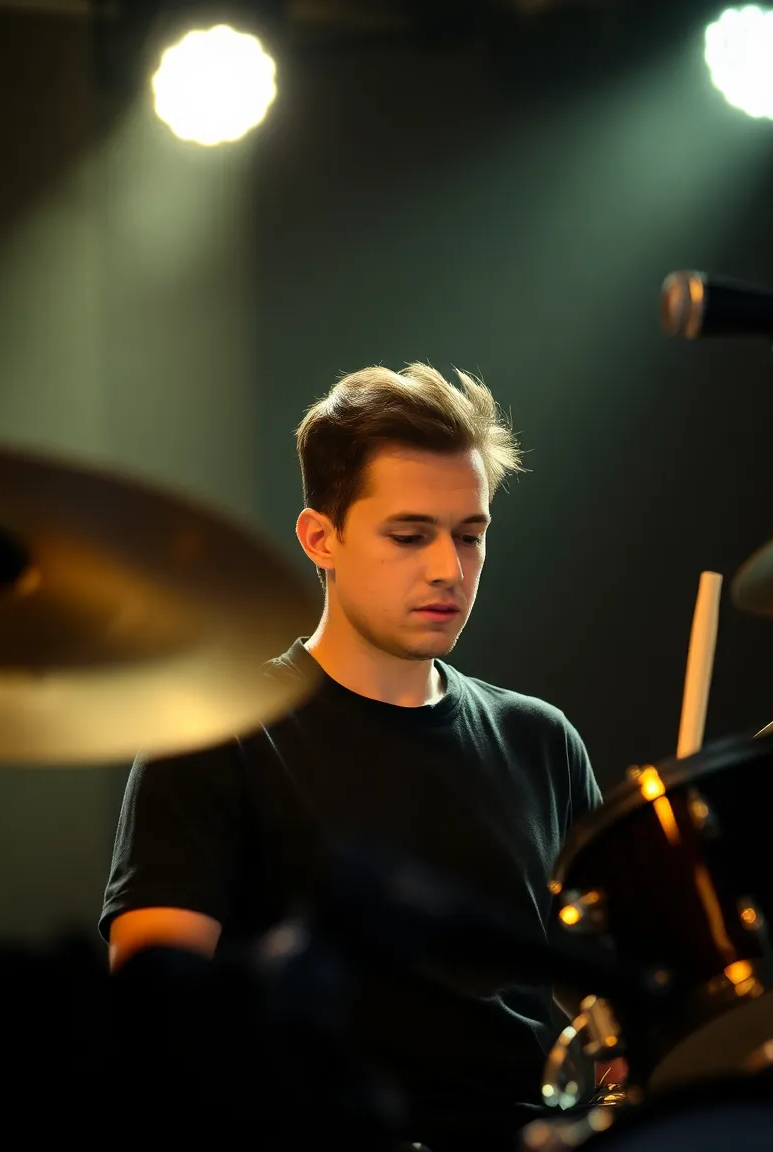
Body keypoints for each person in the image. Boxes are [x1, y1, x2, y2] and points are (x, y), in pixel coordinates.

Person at [100, 363, 603, 1150]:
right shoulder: (219, 736)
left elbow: (612, 998)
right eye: (409, 536)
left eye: (470, 537)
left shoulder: (542, 740)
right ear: (320, 538)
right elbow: (157, 1017)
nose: (448, 569)